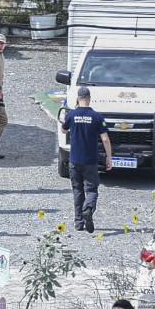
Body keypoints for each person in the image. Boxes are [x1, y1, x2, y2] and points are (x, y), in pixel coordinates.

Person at [61, 86, 112, 233]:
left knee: (77, 190)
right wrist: (109, 157)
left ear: (78, 98)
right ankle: (88, 208)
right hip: (90, 160)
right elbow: (105, 139)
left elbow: (64, 129)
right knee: (92, 190)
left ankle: (78, 223)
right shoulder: (97, 116)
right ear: (89, 99)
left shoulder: (71, 115)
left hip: (74, 160)